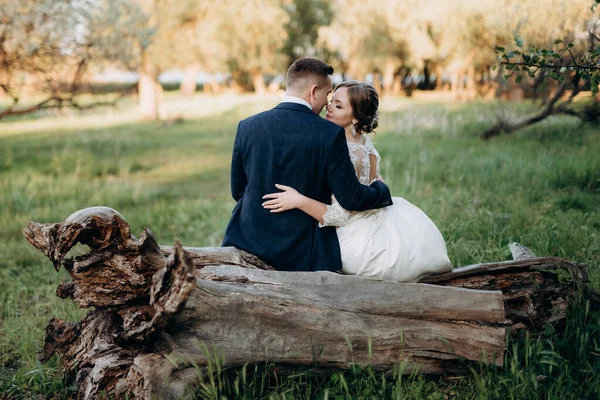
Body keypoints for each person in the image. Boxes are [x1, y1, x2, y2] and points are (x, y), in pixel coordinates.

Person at [262, 81, 452, 282]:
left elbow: (340, 215)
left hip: (355, 234)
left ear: (354, 118)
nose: (329, 107)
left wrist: (298, 200)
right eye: (332, 101)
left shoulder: (347, 152)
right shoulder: (364, 145)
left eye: (338, 106)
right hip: (372, 216)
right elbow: (370, 188)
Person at [221, 58, 393, 272]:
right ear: (313, 92)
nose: (327, 104)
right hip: (299, 249)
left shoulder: (247, 126)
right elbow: (351, 198)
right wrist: (381, 189)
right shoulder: (330, 134)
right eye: (327, 95)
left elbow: (239, 190)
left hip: (246, 238)